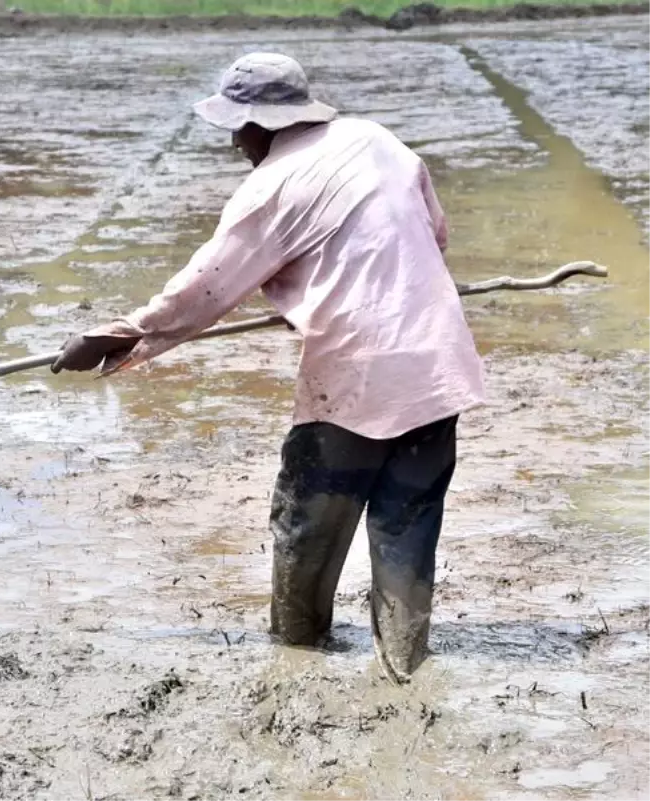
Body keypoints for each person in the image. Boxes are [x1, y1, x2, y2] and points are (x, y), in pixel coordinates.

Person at [50, 52, 486, 683]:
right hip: (434, 365)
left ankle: (297, 658)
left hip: (357, 376)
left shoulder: (271, 187)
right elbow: (430, 238)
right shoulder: (378, 141)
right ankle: (405, 664)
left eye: (239, 128)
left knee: (309, 520)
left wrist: (116, 336)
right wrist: (311, 295)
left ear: (264, 125)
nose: (234, 143)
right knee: (408, 521)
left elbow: (204, 290)